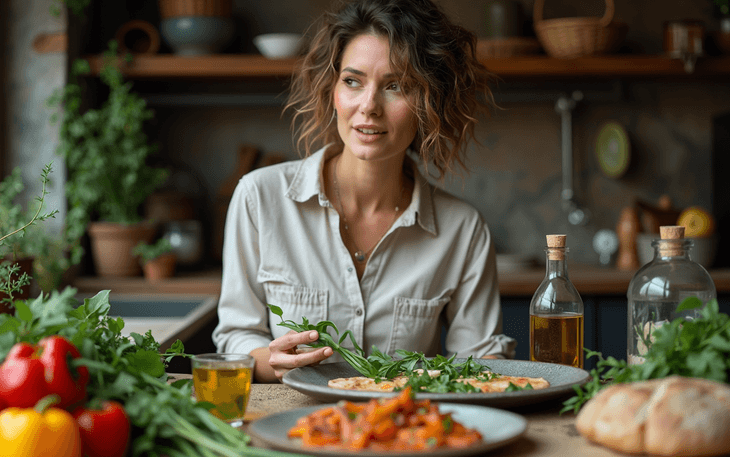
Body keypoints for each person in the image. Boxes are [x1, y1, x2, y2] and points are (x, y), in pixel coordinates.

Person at [213, 0, 516, 383]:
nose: (369, 106)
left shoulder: (463, 230)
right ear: (332, 89)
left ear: (429, 102)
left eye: (396, 86)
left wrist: (493, 364)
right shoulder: (259, 198)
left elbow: (478, 364)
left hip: (405, 431)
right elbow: (236, 335)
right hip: (292, 425)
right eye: (352, 81)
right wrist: (268, 361)